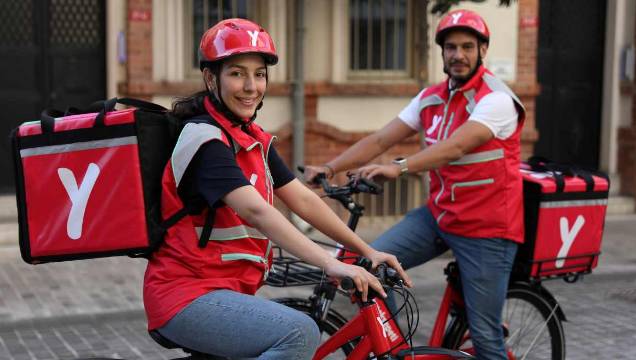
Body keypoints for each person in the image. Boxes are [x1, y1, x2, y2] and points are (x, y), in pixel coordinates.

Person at [143, 18, 410, 360]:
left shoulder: (253, 140)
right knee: (299, 332)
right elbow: (258, 212)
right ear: (212, 79)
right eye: (237, 73)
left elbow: (302, 199)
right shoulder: (205, 139)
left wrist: (364, 251)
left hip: (224, 291)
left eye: (259, 74)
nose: (251, 86)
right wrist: (333, 265)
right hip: (186, 297)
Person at [305, 9, 525, 360]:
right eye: (451, 47)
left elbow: (456, 147)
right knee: (371, 264)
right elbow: (379, 140)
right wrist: (329, 169)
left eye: (468, 46)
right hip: (440, 216)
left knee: (486, 339)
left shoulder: (495, 99)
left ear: (482, 50)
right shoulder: (432, 98)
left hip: (487, 229)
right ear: (442, 52)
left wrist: (401, 167)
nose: (458, 54)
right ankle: (395, 349)